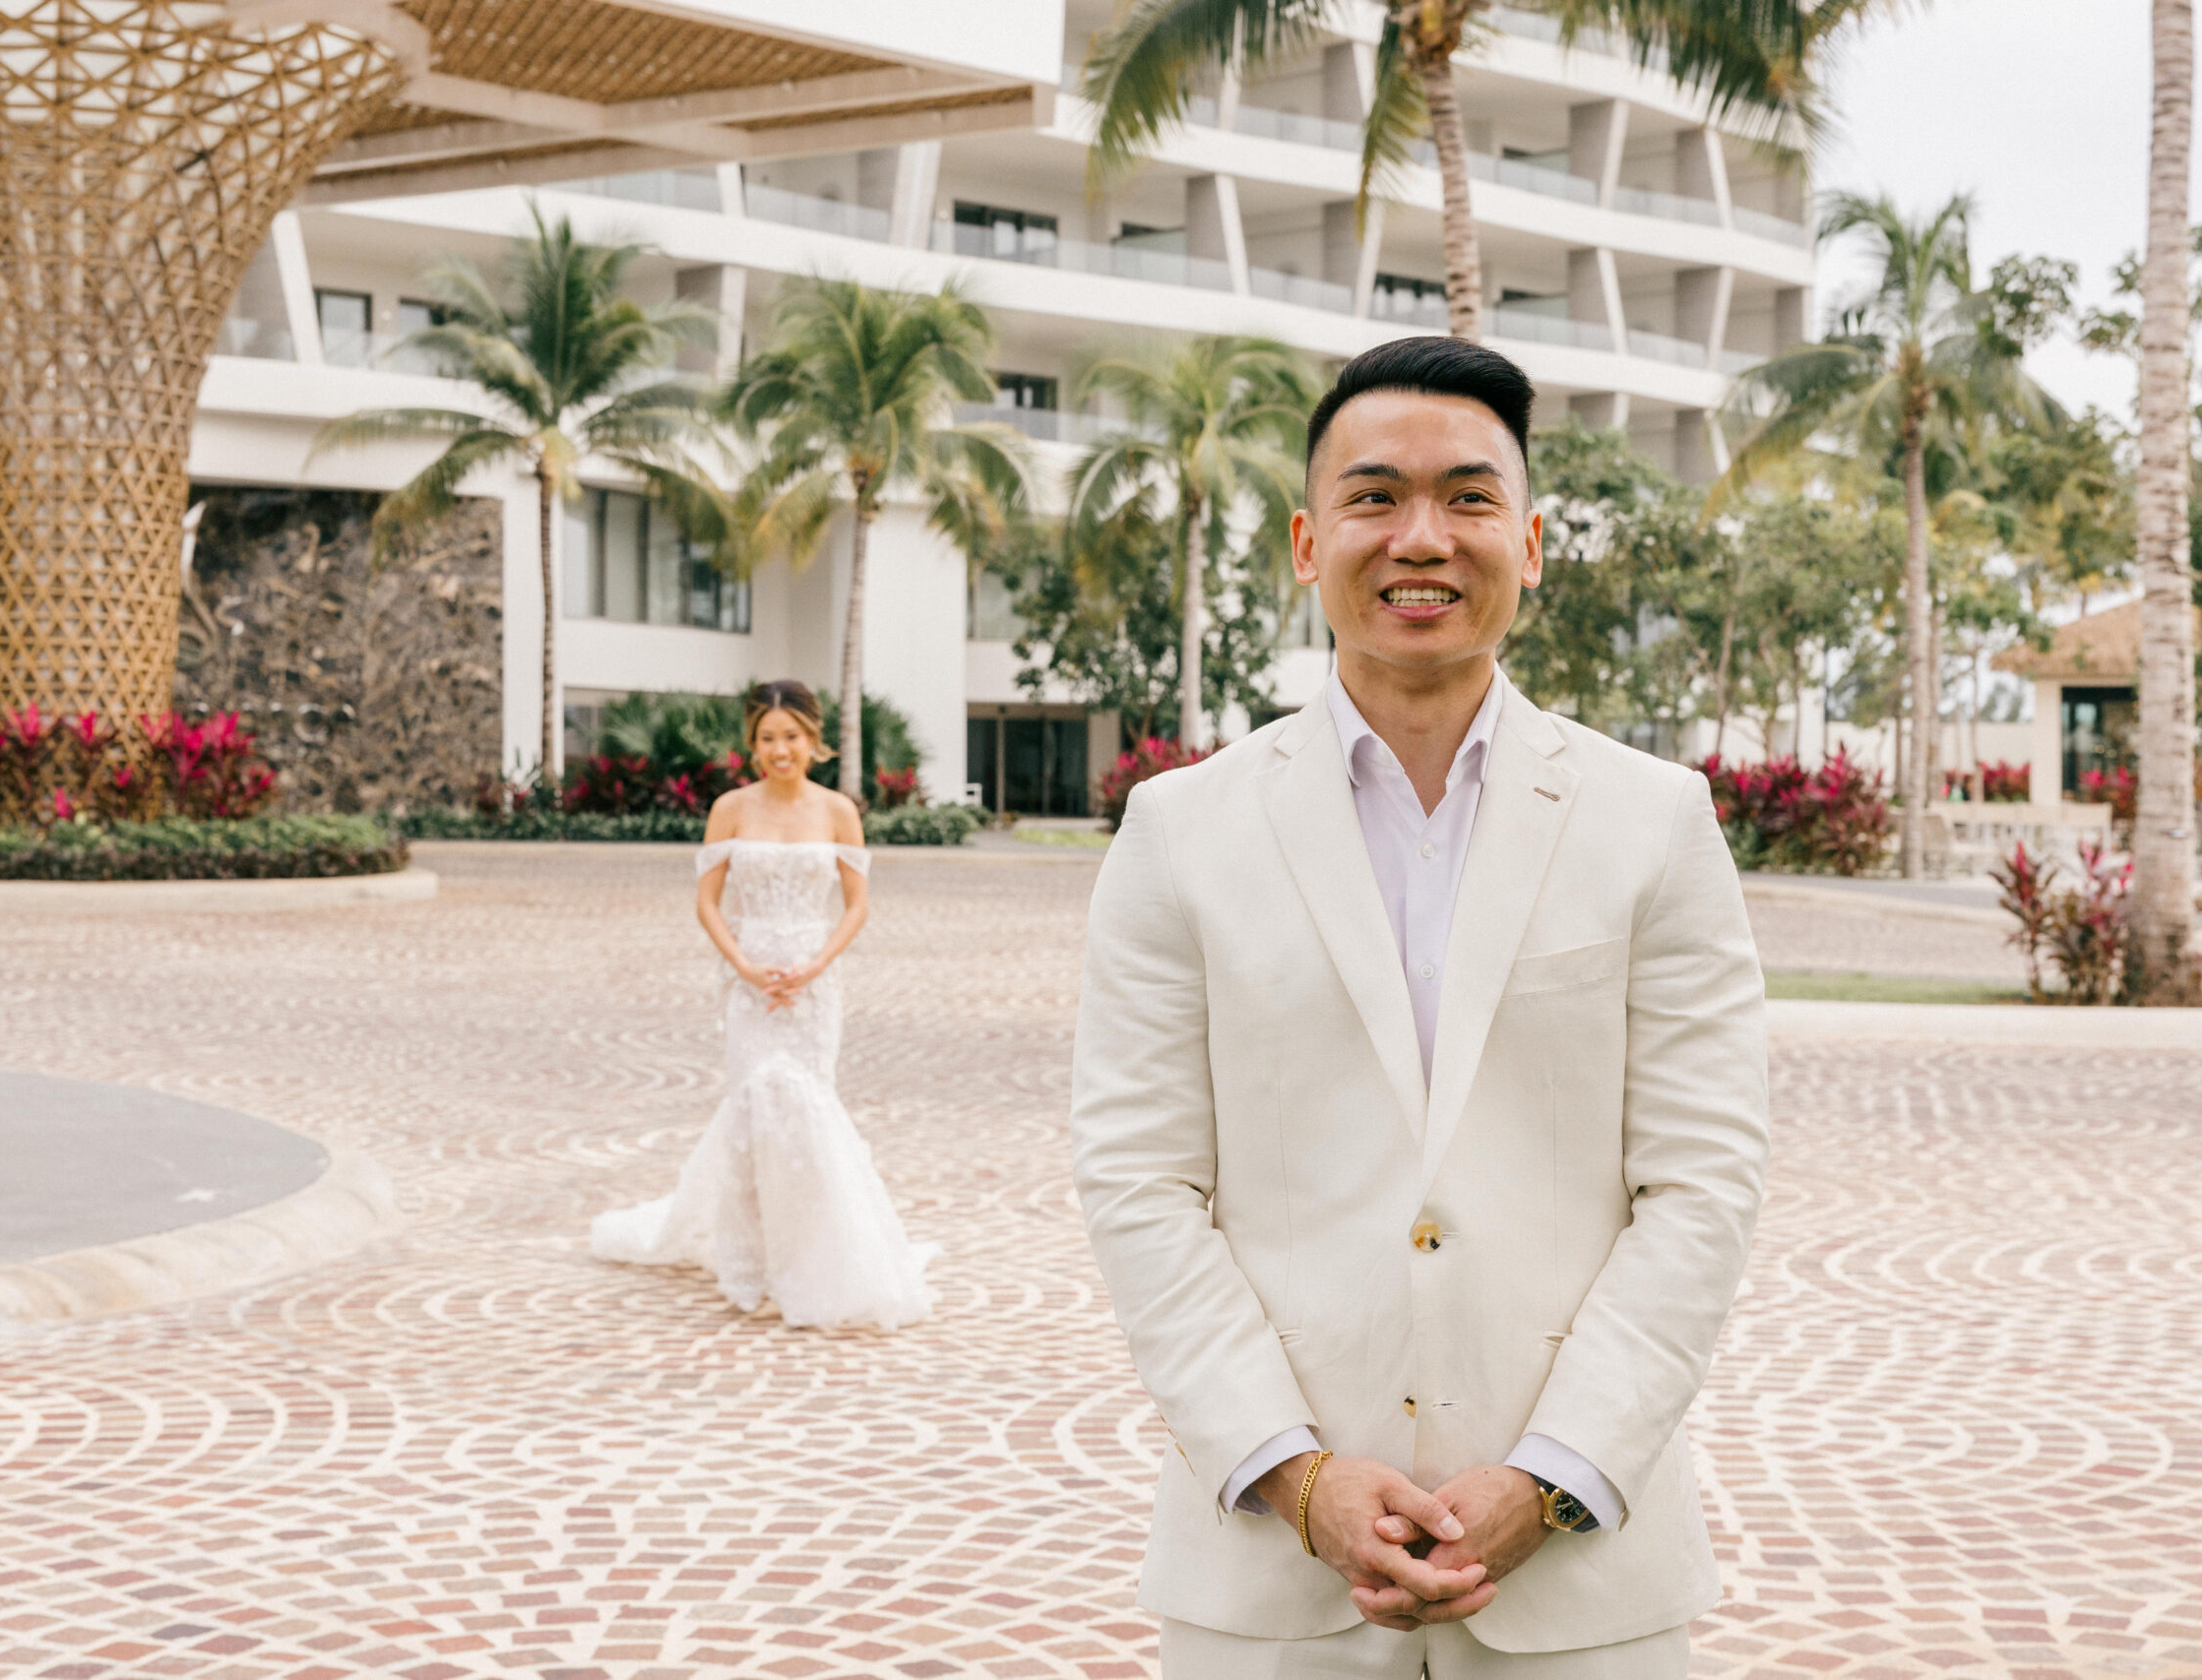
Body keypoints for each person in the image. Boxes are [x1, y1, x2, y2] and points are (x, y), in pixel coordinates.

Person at [1070, 338, 1769, 1679]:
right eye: (1376, 495)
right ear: (1306, 538)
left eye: (1468, 495)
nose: (1421, 538)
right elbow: (1140, 1182)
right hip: (1270, 1588)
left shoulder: (1653, 823)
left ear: (1533, 537)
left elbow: (1702, 1185)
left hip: (1585, 1588)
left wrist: (1555, 1474)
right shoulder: (1178, 831)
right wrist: (1295, 1473)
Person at [592, 678, 934, 1331]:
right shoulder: (730, 809)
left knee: (808, 1113)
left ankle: (815, 1254)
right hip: (749, 986)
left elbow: (858, 905)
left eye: (793, 737)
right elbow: (707, 902)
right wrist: (745, 967)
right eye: (768, 738)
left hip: (812, 983)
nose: (781, 749)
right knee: (753, 1111)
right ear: (753, 744)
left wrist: (816, 965)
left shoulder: (837, 811)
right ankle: (750, 1266)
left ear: (814, 740)